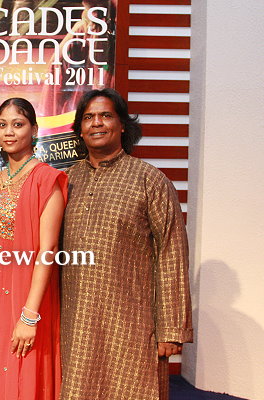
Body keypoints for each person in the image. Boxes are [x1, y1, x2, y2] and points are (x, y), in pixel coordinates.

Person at [60, 88, 193, 400]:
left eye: (106, 115)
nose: (97, 123)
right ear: (80, 129)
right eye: (88, 117)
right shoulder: (66, 181)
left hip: (133, 324)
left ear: (122, 125)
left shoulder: (150, 180)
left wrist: (171, 329)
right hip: (76, 323)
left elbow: (172, 254)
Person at [0, 98, 68, 400]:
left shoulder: (47, 180)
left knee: (20, 376)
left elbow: (48, 249)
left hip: (24, 298)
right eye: (3, 125)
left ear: (34, 130)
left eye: (18, 124)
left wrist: (30, 315)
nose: (9, 132)